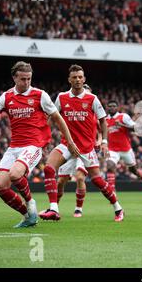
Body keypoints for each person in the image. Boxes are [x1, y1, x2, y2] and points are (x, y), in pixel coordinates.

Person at [0, 61, 79, 228]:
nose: (26, 82)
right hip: (14, 147)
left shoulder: (40, 95)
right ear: (14, 78)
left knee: (15, 174)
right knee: (0, 187)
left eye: (29, 79)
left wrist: (70, 141)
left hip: (33, 145)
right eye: (23, 79)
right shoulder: (7, 96)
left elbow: (59, 119)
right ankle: (28, 216)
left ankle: (30, 202)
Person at [39, 65, 124, 222]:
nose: (77, 79)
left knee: (97, 180)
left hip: (86, 148)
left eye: (80, 77)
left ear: (84, 79)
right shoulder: (61, 98)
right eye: (74, 77)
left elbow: (103, 122)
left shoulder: (92, 99)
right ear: (69, 79)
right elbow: (52, 118)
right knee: (50, 169)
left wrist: (104, 142)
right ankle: (54, 209)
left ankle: (118, 208)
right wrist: (42, 138)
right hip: (67, 145)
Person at [56, 84, 98, 218]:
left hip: (84, 150)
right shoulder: (72, 107)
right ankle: (54, 207)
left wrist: (101, 140)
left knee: (80, 177)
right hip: (69, 147)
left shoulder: (93, 112)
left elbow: (103, 128)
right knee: (61, 182)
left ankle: (78, 208)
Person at [105, 100, 142, 193]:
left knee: (133, 170)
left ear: (117, 107)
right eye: (109, 106)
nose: (111, 108)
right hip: (112, 149)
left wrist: (122, 125)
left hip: (125, 149)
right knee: (110, 166)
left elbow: (136, 128)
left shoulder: (123, 117)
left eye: (114, 106)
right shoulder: (105, 120)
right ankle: (112, 191)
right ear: (107, 108)